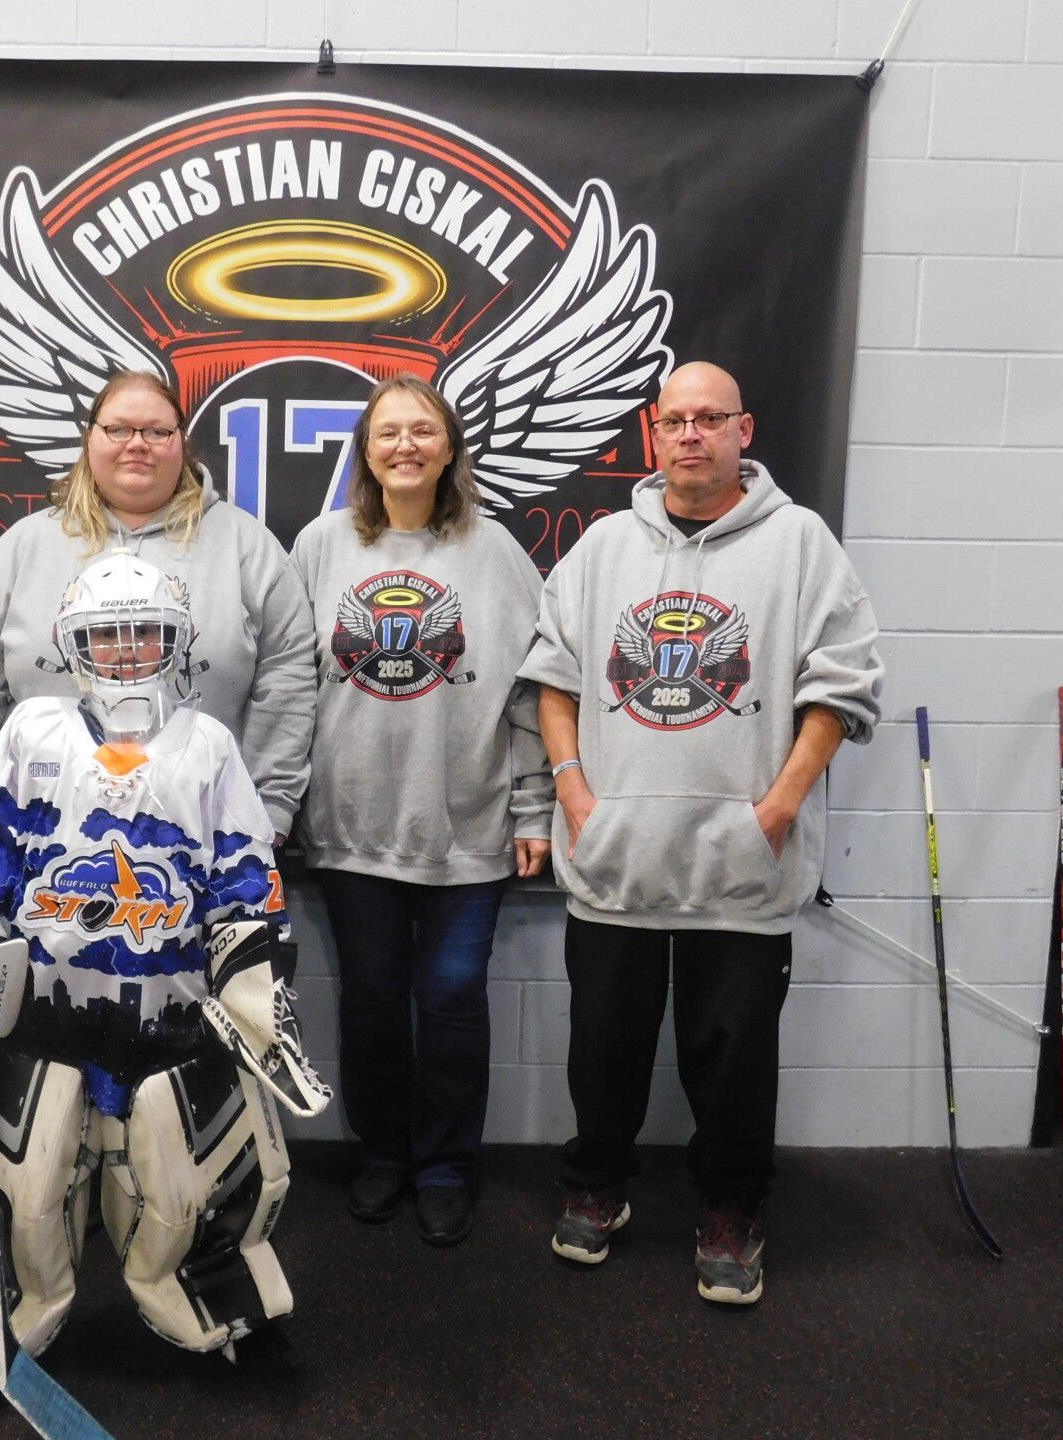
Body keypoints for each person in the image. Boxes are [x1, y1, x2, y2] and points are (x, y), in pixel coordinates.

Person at [0, 551, 332, 1382]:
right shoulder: (31, 733)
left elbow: (244, 874)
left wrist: (252, 967)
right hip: (45, 1020)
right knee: (31, 1182)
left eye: (144, 632)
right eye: (105, 635)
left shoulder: (208, 746)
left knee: (183, 1185)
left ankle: (183, 1285)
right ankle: (17, 1299)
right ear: (73, 645)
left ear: (176, 642)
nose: (125, 651)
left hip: (171, 1017)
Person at [517, 361, 883, 1304]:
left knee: (734, 1061)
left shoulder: (800, 544)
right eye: (675, 420)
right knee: (604, 1049)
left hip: (744, 864)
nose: (690, 435)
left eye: (710, 419)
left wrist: (779, 809)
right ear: (654, 433)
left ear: (742, 431)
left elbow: (842, 689)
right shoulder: (603, 548)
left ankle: (731, 1208)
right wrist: (573, 791)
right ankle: (597, 1188)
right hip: (615, 858)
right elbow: (552, 680)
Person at [291, 375, 553, 1247]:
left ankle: (445, 1167)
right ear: (365, 452)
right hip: (350, 827)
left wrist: (534, 810)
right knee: (370, 1003)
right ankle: (383, 1153)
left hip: (466, 826)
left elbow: (532, 692)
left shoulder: (496, 552)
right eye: (388, 432)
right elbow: (287, 686)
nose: (405, 444)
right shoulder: (320, 546)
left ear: (449, 448)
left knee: (451, 1001)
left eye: (423, 430)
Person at [0, 370, 315, 841]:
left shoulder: (245, 547)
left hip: (205, 836)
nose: (137, 444)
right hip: (40, 835)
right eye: (118, 429)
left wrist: (266, 813)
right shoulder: (24, 547)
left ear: (181, 442)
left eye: (157, 431)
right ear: (89, 438)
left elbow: (287, 680)